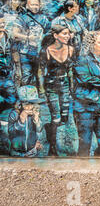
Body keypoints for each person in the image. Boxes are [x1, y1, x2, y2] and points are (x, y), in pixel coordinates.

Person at [38, 25, 74, 156]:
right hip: (51, 87)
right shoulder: (46, 51)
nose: (67, 36)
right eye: (64, 34)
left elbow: (70, 71)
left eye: (68, 34)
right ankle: (52, 149)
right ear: (55, 36)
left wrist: (72, 88)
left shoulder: (71, 49)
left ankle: (51, 132)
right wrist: (41, 90)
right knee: (56, 117)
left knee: (64, 117)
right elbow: (40, 72)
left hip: (64, 87)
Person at [12, 0, 51, 87]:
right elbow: (14, 34)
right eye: (32, 4)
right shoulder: (21, 18)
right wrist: (28, 37)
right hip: (25, 52)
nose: (35, 7)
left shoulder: (44, 18)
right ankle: (27, 98)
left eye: (36, 4)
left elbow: (49, 32)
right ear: (27, 5)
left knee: (39, 75)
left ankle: (37, 96)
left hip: (39, 52)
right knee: (26, 75)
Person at [8, 85, 44, 157]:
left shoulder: (35, 113)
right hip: (16, 152)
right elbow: (11, 133)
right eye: (26, 104)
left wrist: (36, 121)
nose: (29, 107)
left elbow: (40, 131)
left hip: (32, 151)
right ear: (20, 104)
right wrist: (21, 121)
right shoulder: (14, 114)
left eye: (32, 104)